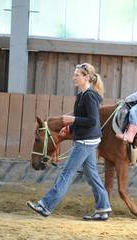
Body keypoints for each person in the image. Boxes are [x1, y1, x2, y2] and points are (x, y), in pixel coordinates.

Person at [27, 63, 112, 221]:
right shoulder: (81, 96)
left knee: (66, 174)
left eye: (77, 75)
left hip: (85, 142)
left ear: (86, 77)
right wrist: (71, 126)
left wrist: (72, 119)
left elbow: (93, 121)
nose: (74, 77)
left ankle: (46, 206)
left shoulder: (90, 96)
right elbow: (84, 120)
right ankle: (103, 208)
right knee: (92, 175)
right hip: (86, 139)